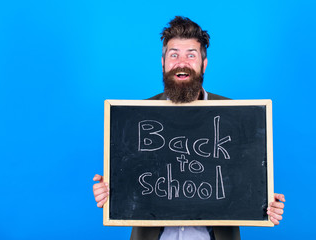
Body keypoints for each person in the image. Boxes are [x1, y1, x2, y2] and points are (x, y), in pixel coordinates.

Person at [92, 16, 285, 240]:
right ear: (163, 62)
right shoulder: (136, 118)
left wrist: (265, 202)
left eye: (190, 55)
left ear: (204, 64)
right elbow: (130, 185)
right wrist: (110, 194)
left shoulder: (237, 116)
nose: (181, 62)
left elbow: (246, 183)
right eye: (174, 54)